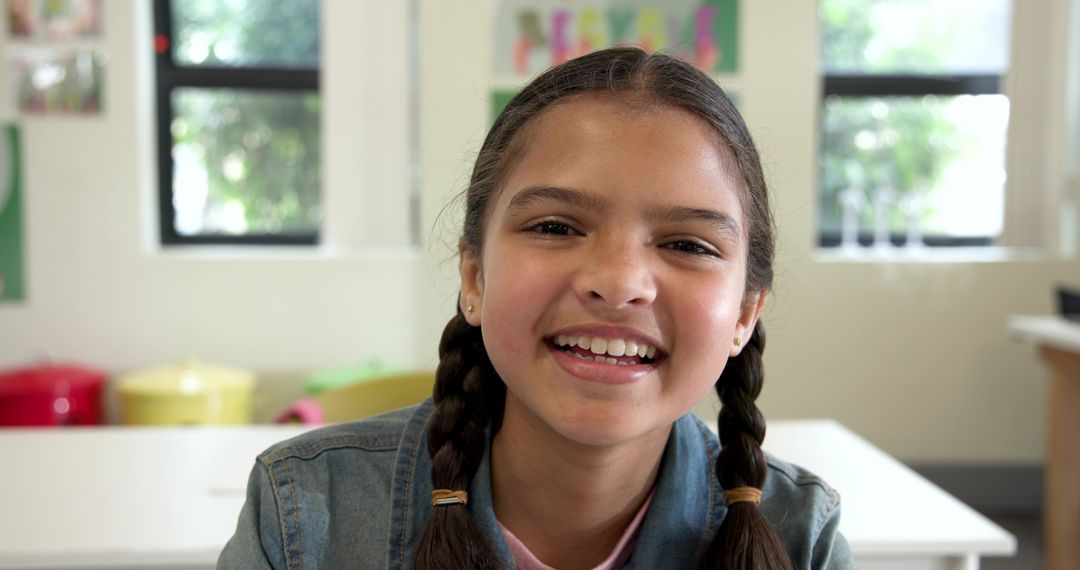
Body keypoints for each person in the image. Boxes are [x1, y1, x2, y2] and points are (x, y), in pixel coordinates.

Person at [218, 47, 854, 570]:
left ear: (745, 313)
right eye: (555, 227)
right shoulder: (305, 512)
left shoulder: (802, 539)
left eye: (688, 244)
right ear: (474, 274)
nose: (619, 282)